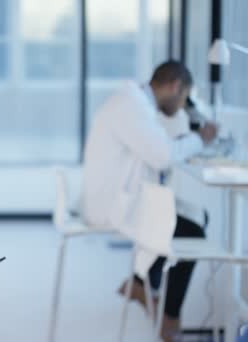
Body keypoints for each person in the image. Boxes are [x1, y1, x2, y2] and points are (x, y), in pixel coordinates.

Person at [80, 61, 217, 341]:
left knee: (194, 216)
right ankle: (169, 317)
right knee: (192, 232)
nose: (181, 106)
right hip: (110, 204)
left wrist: (182, 142)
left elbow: (155, 150)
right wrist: (200, 139)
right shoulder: (131, 105)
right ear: (175, 86)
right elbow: (163, 156)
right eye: (183, 98)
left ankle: (141, 283)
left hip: (119, 197)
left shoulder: (134, 103)